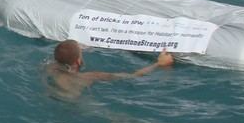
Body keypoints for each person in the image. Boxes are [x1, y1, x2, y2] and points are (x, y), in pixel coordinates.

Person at [46, 39, 174, 99]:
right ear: (78, 61)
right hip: (78, 106)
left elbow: (64, 55)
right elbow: (133, 76)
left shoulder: (48, 67)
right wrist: (158, 64)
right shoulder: (88, 77)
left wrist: (77, 50)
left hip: (56, 99)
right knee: (120, 119)